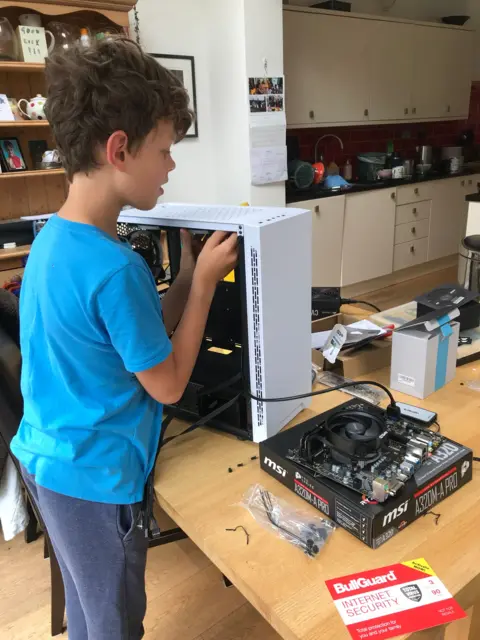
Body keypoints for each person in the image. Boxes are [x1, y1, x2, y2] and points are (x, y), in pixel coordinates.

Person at [10, 37, 238, 640]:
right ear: (119, 149)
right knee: (116, 620)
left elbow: (133, 339)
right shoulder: (117, 268)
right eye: (163, 151)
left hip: (52, 463)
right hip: (95, 479)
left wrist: (187, 278)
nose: (169, 167)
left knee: (91, 606)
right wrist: (208, 287)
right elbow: (165, 384)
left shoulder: (53, 243)